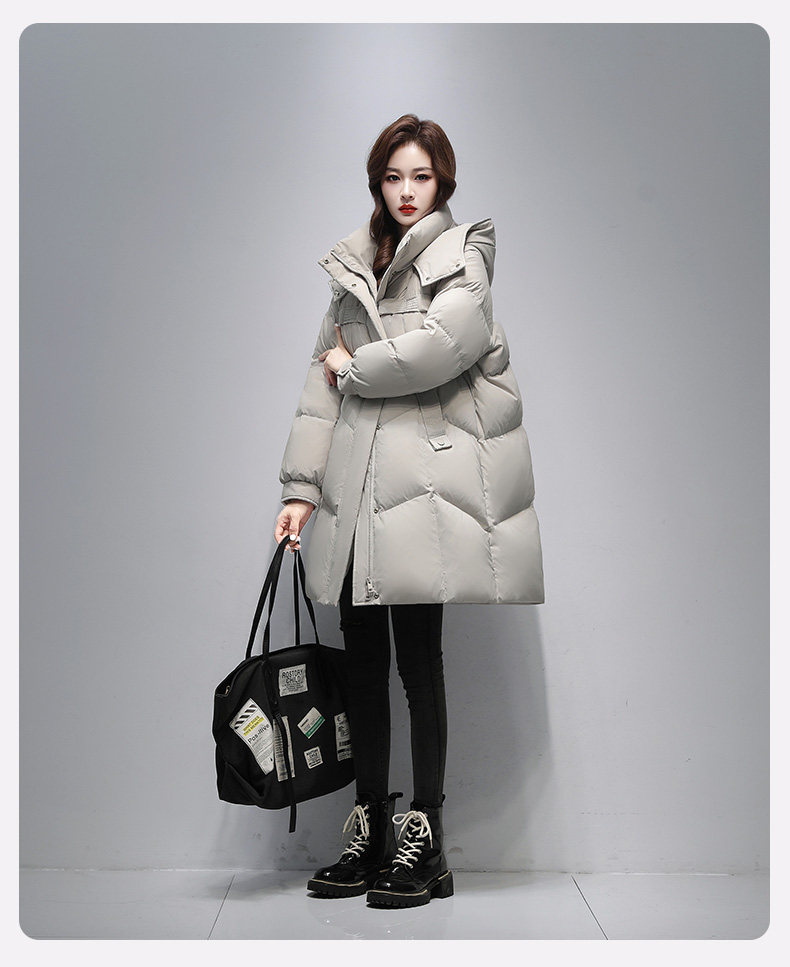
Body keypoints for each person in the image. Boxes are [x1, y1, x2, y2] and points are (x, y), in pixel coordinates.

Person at [274, 114, 545, 908]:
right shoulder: (354, 268)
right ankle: (371, 827)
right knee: (363, 663)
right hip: (357, 492)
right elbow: (318, 390)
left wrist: (352, 363)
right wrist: (299, 491)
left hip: (425, 493)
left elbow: (438, 349)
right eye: (393, 176)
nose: (405, 191)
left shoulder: (462, 261)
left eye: (420, 177)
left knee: (419, 664)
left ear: (442, 183)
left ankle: (425, 835)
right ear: (377, 183)